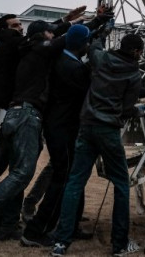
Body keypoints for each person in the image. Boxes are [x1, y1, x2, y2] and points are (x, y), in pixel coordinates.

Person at [0, 11, 109, 246]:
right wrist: (95, 25)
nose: (53, 35)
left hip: (17, 114)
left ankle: (4, 225)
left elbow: (65, 37)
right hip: (27, 115)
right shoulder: (38, 49)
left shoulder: (33, 53)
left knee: (12, 170)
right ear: (42, 36)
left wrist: (84, 25)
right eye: (50, 32)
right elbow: (69, 39)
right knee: (22, 173)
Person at [50, 32, 145, 257]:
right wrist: (137, 111)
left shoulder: (100, 59)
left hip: (87, 127)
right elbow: (126, 108)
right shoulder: (133, 74)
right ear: (137, 51)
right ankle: (119, 244)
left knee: (74, 182)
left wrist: (101, 31)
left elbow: (94, 46)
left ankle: (61, 242)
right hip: (108, 130)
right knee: (121, 183)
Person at [21, 24, 95, 248]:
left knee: (73, 175)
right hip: (62, 129)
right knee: (63, 178)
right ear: (82, 44)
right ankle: (36, 231)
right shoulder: (71, 67)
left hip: (60, 128)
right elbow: (92, 86)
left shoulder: (63, 61)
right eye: (88, 42)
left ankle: (70, 225)